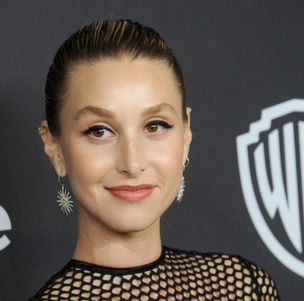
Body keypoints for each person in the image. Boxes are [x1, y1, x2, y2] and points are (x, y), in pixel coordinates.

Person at [31, 19, 280, 300]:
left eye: (155, 126)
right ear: (55, 147)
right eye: (100, 131)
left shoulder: (243, 287)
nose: (132, 163)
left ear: (185, 134)